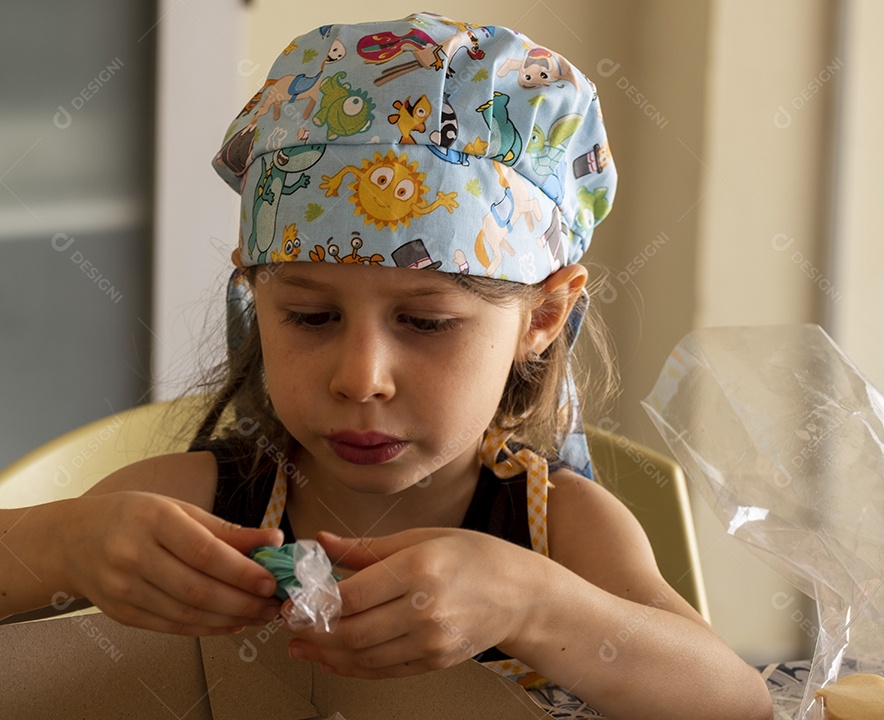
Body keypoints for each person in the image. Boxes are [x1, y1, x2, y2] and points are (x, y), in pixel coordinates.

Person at [0, 13, 772, 719]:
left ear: (542, 317)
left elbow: (736, 705)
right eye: (310, 316)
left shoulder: (556, 528)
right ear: (254, 295)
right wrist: (66, 543)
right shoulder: (202, 505)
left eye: (426, 322)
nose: (360, 377)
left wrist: (533, 605)